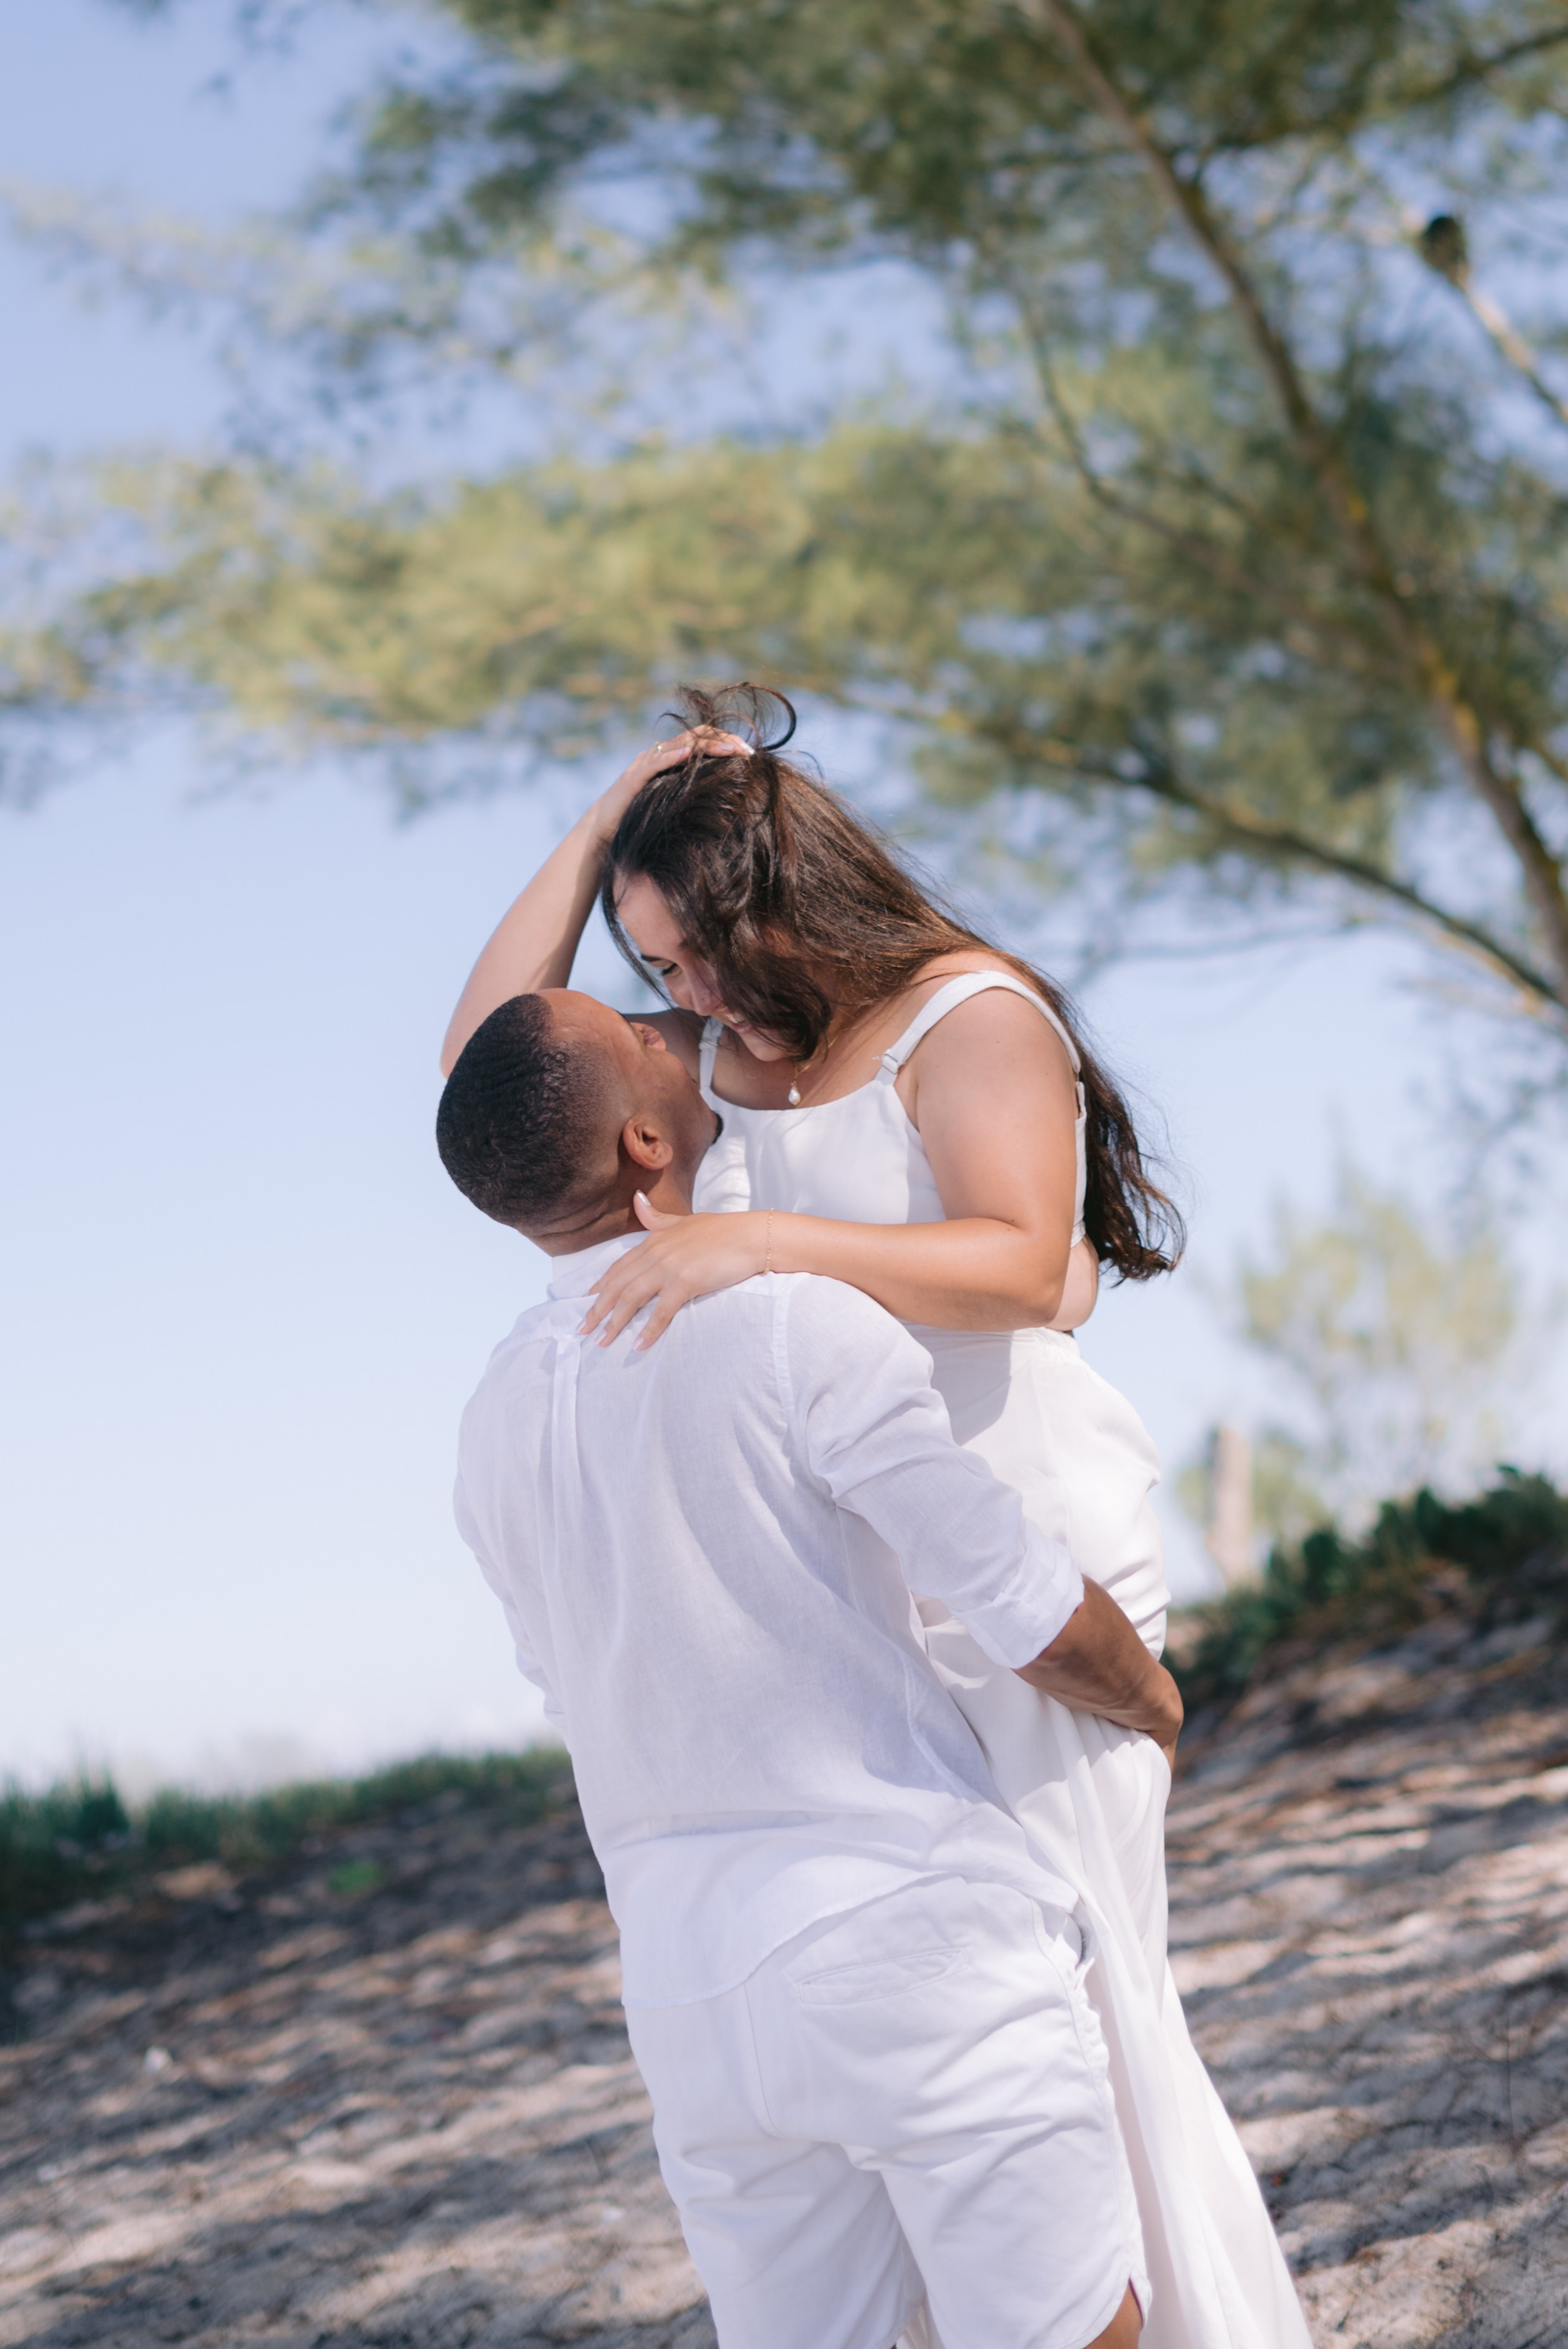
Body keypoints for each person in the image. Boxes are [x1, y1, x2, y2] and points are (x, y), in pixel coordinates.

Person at [440, 691, 1313, 2349]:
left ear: (790, 893)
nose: (679, 995)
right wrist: (614, 806)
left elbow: (1018, 1262)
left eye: (695, 951)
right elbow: (496, 1047)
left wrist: (765, 1249)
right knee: (940, 2023)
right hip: (860, 1565)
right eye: (655, 973)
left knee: (1075, 2005)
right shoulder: (716, 1051)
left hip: (1021, 1538)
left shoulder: (965, 1015)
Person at [439, 986, 1178, 2349]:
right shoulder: (789, 1321)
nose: (672, 1025)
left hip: (686, 1991)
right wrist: (1153, 1701)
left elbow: (564, 1686)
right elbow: (1011, 1592)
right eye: (640, 1033)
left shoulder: (491, 1422)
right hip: (904, 1934)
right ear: (646, 1150)